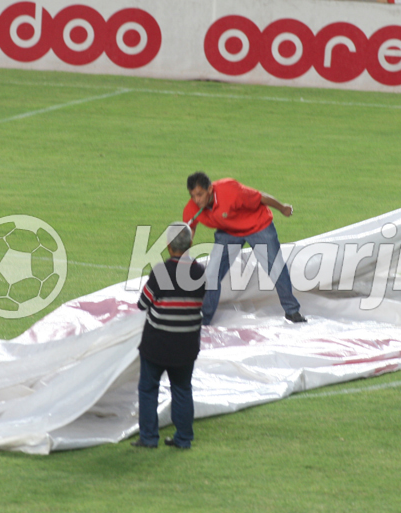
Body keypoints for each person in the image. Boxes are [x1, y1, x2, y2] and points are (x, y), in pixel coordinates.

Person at [183, 171, 306, 325]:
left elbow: (261, 197)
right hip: (229, 233)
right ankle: (205, 318)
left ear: (209, 189)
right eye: (192, 195)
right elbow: (190, 227)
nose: (197, 199)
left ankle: (292, 311)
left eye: (200, 194)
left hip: (258, 226)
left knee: (276, 268)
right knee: (212, 273)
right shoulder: (192, 208)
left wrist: (282, 208)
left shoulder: (230, 190)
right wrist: (184, 249)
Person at [131, 223, 205, 450]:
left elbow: (142, 304)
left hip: (157, 343)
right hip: (187, 343)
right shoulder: (199, 271)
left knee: (148, 389)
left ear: (167, 245)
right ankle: (183, 438)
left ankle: (149, 438)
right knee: (182, 389)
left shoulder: (160, 271)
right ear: (190, 244)